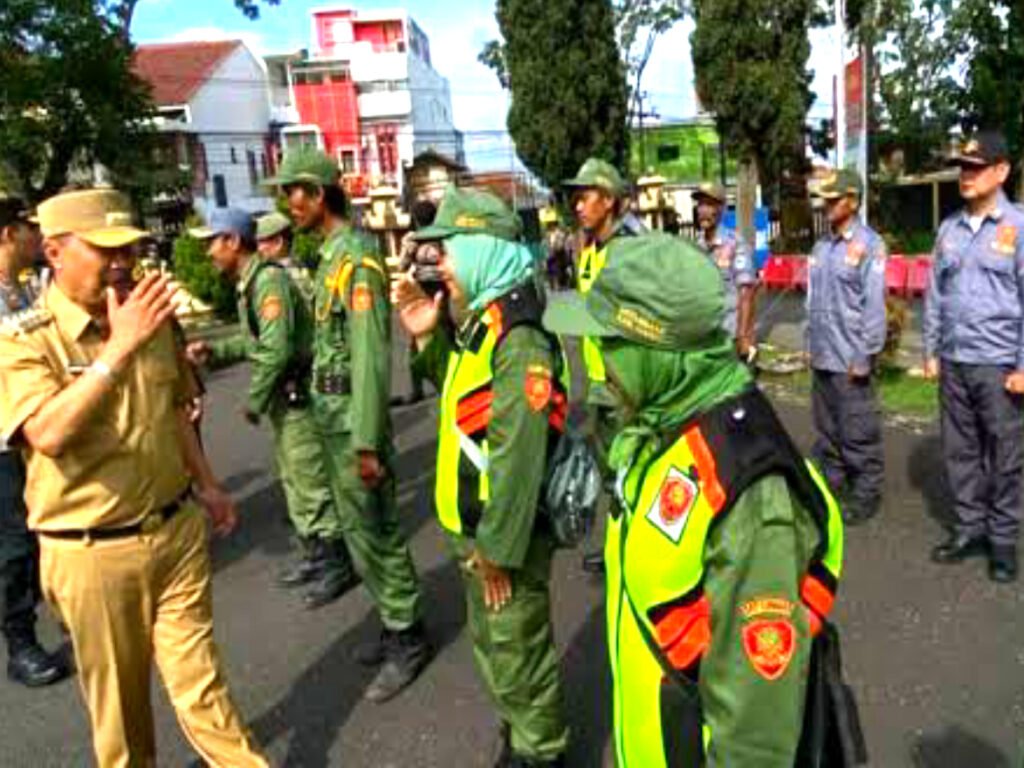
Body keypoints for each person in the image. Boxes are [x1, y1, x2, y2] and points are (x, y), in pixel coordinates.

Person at [543, 232, 846, 766]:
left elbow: (756, 737)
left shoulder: (751, 497)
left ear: (656, 351)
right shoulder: (662, 422)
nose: (598, 360)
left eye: (609, 343)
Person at [0, 188, 267, 766]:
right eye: (106, 251)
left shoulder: (149, 313)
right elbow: (45, 432)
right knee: (123, 721)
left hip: (175, 531)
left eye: (131, 249)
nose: (124, 263)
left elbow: (174, 408)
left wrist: (210, 485)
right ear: (54, 252)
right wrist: (117, 349)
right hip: (91, 553)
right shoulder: (23, 336)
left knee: (204, 693)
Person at [392, 185, 569, 768]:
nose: (438, 260)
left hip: (502, 538)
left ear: (482, 249)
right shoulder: (483, 321)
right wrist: (424, 333)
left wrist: (498, 548)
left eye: (449, 248)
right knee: (496, 648)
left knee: (519, 653)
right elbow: (466, 410)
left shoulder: (520, 338)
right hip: (478, 534)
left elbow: (519, 460)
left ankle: (540, 753)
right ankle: (520, 735)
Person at [266, 148, 430, 702]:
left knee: (377, 531)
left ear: (316, 193)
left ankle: (409, 637)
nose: (289, 206)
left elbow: (369, 357)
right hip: (331, 420)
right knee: (360, 532)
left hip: (352, 428)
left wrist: (366, 440)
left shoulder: (357, 261)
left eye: (293, 193)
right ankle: (393, 622)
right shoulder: (332, 256)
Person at [186, 207, 358, 608]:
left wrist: (254, 400)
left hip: (298, 396)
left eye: (212, 242)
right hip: (286, 398)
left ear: (232, 241)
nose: (208, 252)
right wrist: (216, 350)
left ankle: (337, 564)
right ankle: (317, 554)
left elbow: (277, 350)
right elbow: (257, 342)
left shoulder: (269, 282)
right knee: (294, 480)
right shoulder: (251, 282)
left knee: (310, 481)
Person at [924, 130, 1024, 583]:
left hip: (999, 363)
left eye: (975, 167)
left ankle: (1003, 542)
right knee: (960, 451)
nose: (965, 176)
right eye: (961, 167)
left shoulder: (1018, 228)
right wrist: (931, 349)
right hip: (955, 359)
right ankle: (970, 528)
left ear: (1001, 171)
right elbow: (935, 295)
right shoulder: (949, 229)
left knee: (1005, 454)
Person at [0, 195, 71, 688]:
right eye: (27, 226)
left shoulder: (22, 292)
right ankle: (20, 642)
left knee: (49, 528)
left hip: (37, 434)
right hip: (3, 441)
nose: (33, 235)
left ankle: (69, 608)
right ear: (7, 235)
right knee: (14, 545)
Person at [563, 157, 643, 575]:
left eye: (586, 197)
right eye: (575, 198)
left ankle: (635, 553)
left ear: (609, 200)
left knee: (632, 471)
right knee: (612, 475)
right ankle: (618, 549)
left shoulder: (628, 251)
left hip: (624, 386)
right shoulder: (591, 250)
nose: (578, 205)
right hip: (598, 384)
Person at [806, 168, 888, 526]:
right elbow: (811, 301)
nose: (826, 205)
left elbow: (873, 306)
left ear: (853, 201)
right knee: (827, 429)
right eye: (824, 199)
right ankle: (834, 486)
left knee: (858, 430)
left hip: (850, 358)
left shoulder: (869, 245)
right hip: (823, 355)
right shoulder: (821, 246)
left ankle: (866, 494)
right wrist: (809, 344)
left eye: (833, 199)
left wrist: (864, 355)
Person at [693, 181, 758, 360]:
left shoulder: (735, 244)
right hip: (703, 337)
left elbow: (747, 293)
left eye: (709, 204)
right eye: (700, 204)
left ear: (720, 208)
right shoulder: (695, 247)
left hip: (729, 337)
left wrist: (743, 336)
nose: (703, 210)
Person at [390, 198, 438, 407]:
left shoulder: (413, 238)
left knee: (415, 345)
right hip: (445, 289)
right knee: (448, 338)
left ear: (416, 219)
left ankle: (416, 389)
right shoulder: (442, 235)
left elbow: (402, 265)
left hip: (423, 292)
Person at [256, 210, 316, 303]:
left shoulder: (280, 279)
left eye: (260, 242)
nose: (257, 249)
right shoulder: (299, 270)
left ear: (278, 242)